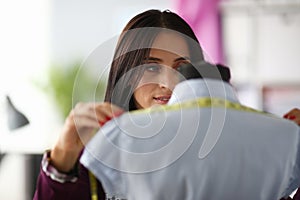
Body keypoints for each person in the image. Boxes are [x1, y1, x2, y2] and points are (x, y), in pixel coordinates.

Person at [33, 9, 300, 200]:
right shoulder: (97, 154)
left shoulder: (236, 147)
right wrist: (63, 159)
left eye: (182, 68)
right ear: (126, 76)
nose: (168, 83)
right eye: (151, 67)